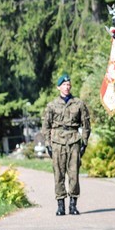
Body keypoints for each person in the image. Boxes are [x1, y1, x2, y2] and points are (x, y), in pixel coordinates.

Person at [42, 73, 91, 216]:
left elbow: (86, 124)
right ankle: (60, 205)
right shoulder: (51, 105)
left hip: (74, 140)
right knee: (58, 174)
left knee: (74, 174)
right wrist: (47, 144)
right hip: (57, 142)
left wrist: (85, 142)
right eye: (64, 85)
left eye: (68, 85)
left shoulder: (79, 103)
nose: (67, 87)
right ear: (59, 87)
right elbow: (46, 126)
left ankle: (73, 205)